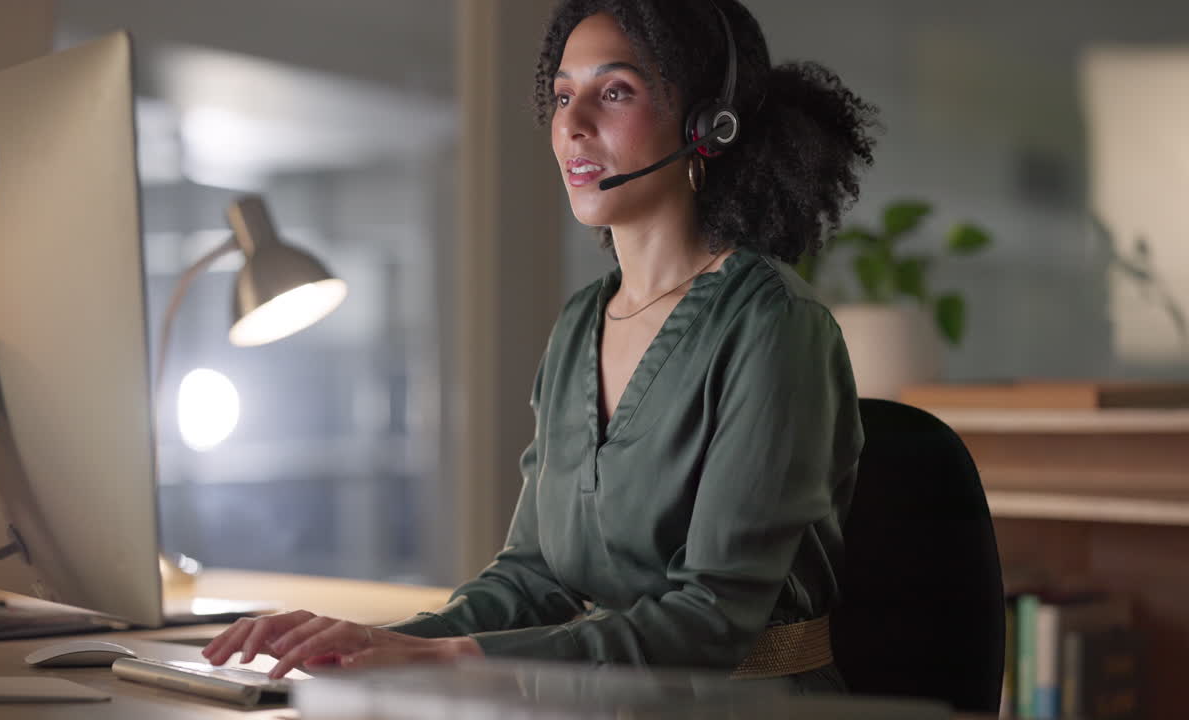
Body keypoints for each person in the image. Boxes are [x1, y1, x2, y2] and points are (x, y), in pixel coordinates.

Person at [203, 0, 876, 693]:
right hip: (603, 701)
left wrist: (449, 658)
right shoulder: (582, 323)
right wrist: (379, 640)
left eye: (615, 92)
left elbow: (712, 619)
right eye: (561, 96)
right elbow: (531, 579)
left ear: (707, 125)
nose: (572, 124)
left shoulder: (773, 323)